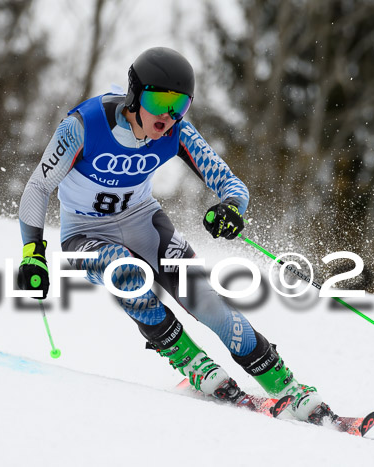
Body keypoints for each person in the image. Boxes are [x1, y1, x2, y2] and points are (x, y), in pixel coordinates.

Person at [17, 47, 333, 424]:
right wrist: (33, 253)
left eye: (179, 106)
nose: (167, 116)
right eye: (158, 101)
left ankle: (285, 385)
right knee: (126, 274)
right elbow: (37, 188)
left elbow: (230, 183)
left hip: (143, 221)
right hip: (85, 232)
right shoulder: (83, 126)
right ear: (135, 95)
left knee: (209, 303)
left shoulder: (178, 132)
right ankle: (189, 360)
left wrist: (232, 207)